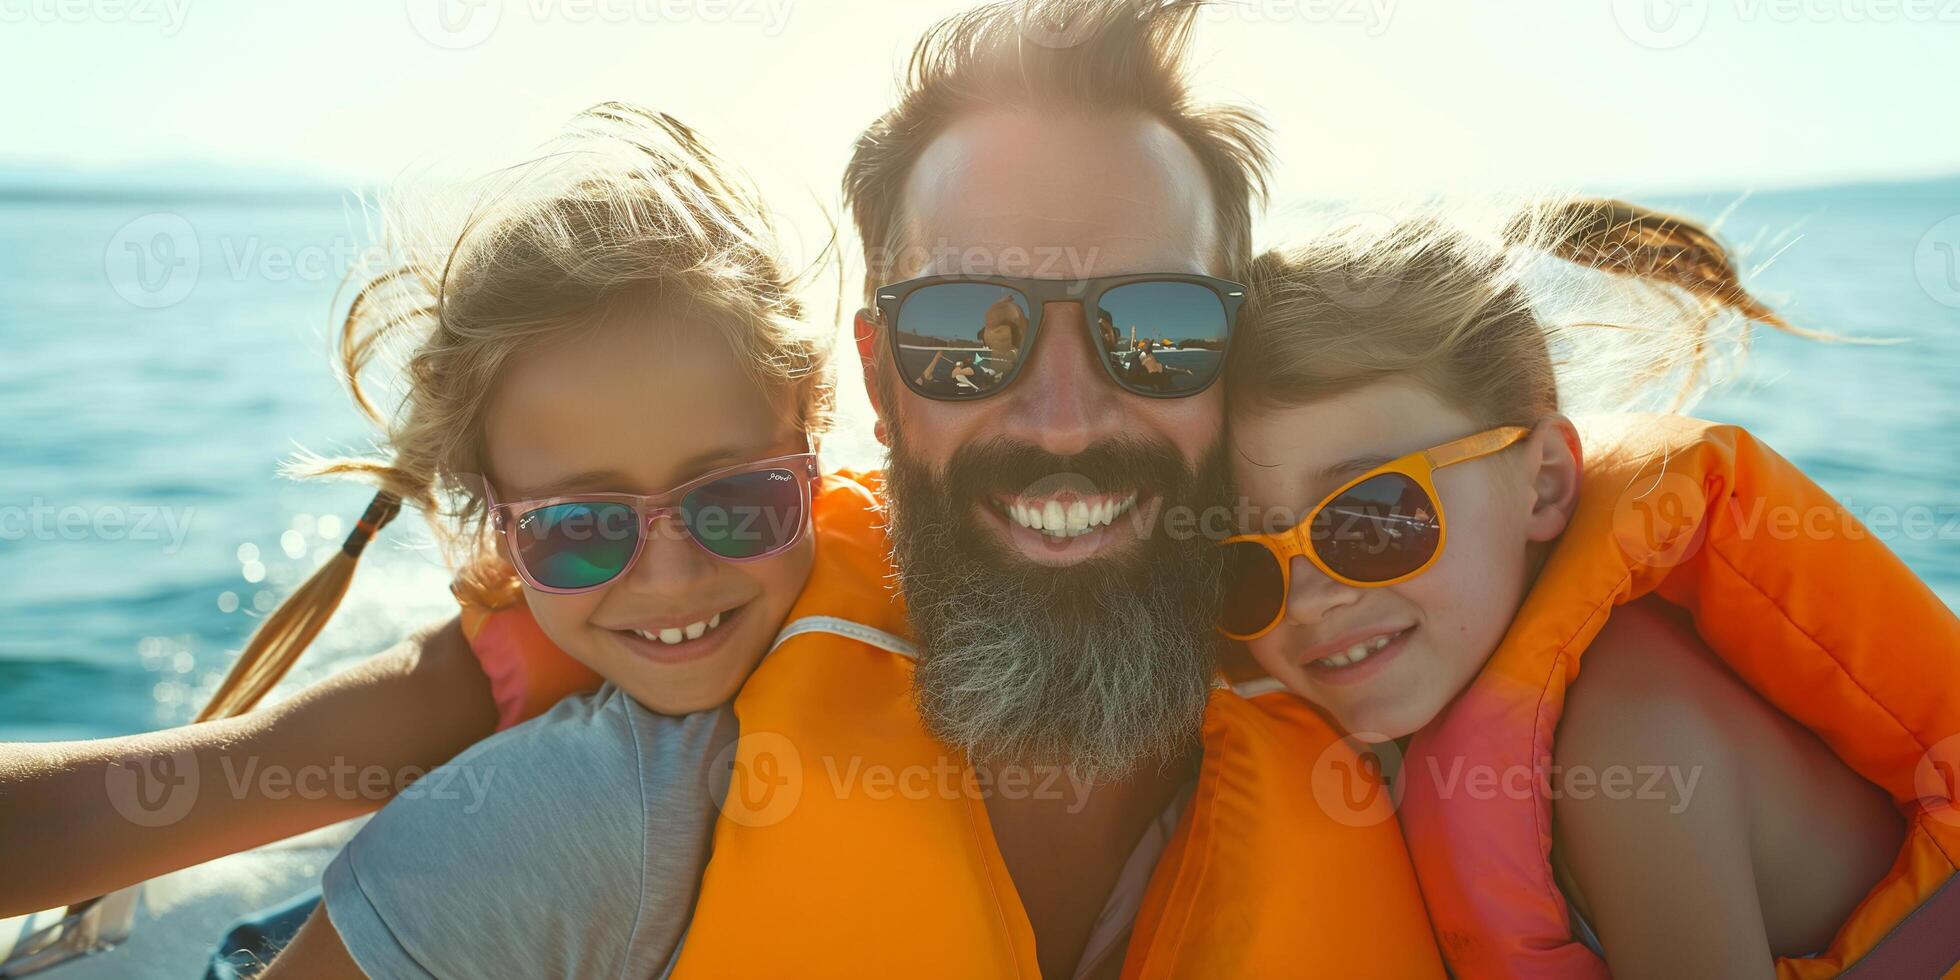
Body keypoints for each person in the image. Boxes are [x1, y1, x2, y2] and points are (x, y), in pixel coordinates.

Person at [274, 1, 1440, 977]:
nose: (1064, 413)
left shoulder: (1385, 689)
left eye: (1159, 327)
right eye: (966, 338)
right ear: (879, 381)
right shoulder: (617, 819)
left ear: (1239, 358)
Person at [1220, 199, 1959, 978]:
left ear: (1542, 484)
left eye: (1369, 517)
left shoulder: (1635, 757)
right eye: (1240, 562)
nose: (1307, 599)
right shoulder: (1426, 695)